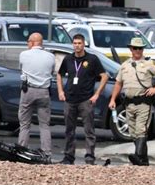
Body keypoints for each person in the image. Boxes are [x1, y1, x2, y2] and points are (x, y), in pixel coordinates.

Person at [109, 37, 155, 166]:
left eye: (140, 48)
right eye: (135, 48)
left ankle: (137, 157)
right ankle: (143, 160)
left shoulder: (148, 64)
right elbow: (118, 83)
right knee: (133, 132)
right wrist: (113, 99)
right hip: (129, 104)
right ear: (131, 49)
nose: (137, 51)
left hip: (143, 103)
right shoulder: (125, 65)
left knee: (141, 130)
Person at [57, 34, 109, 165]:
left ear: (84, 44)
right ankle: (69, 156)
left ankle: (90, 157)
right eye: (75, 43)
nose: (77, 46)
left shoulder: (92, 59)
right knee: (69, 130)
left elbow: (104, 76)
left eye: (79, 43)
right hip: (70, 99)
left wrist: (97, 94)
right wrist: (60, 91)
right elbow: (59, 74)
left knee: (89, 130)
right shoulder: (68, 59)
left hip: (85, 99)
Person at [17, 32, 55, 163]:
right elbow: (51, 72)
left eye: (28, 41)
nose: (27, 43)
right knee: (44, 125)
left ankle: (21, 149)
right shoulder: (50, 56)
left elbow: (21, 68)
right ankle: (47, 153)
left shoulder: (24, 54)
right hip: (44, 91)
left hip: (28, 90)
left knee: (25, 124)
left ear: (33, 42)